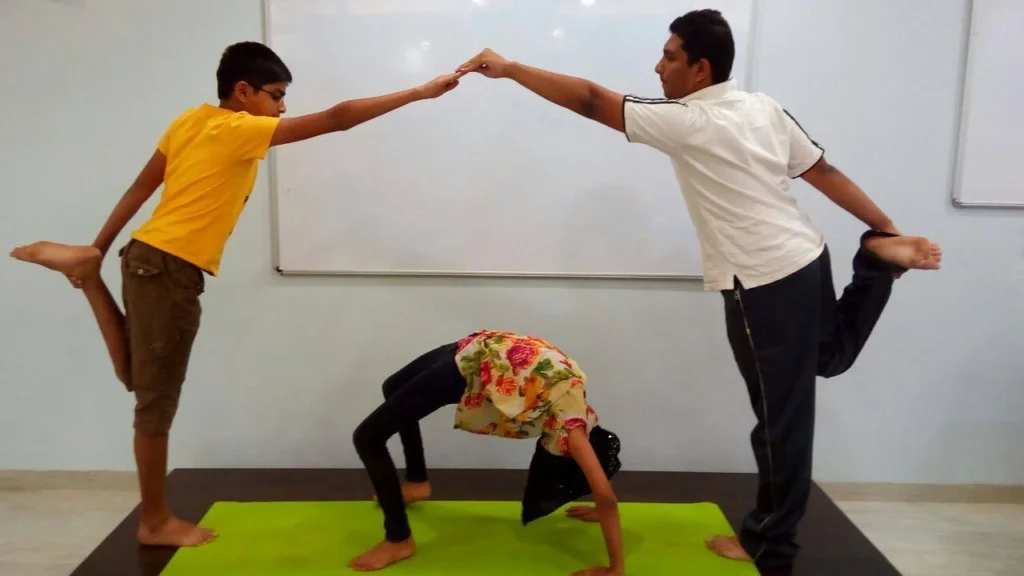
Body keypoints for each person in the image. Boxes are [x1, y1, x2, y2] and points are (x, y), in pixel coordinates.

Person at [456, 9, 942, 576]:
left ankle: (770, 545)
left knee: (780, 421)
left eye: (669, 57)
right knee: (827, 359)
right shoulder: (763, 107)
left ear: (700, 69)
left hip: (763, 284)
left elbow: (590, 99)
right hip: (808, 257)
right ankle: (875, 261)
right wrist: (884, 228)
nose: (657, 67)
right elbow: (824, 173)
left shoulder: (688, 120)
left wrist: (511, 68)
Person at [9, 41, 464, 548]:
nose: (283, 107)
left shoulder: (191, 121)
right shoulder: (239, 128)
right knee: (154, 405)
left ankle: (88, 274)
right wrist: (419, 92)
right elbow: (337, 118)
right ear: (243, 91)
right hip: (170, 268)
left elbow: (140, 189)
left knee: (140, 380)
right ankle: (154, 521)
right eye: (276, 95)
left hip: (144, 257)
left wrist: (98, 248)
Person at [349, 330, 623, 575]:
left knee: (367, 437)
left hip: (477, 358)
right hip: (473, 348)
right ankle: (416, 482)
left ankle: (398, 539)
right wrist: (616, 568)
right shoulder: (575, 431)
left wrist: (603, 516)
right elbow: (605, 492)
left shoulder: (578, 405)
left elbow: (602, 485)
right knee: (388, 395)